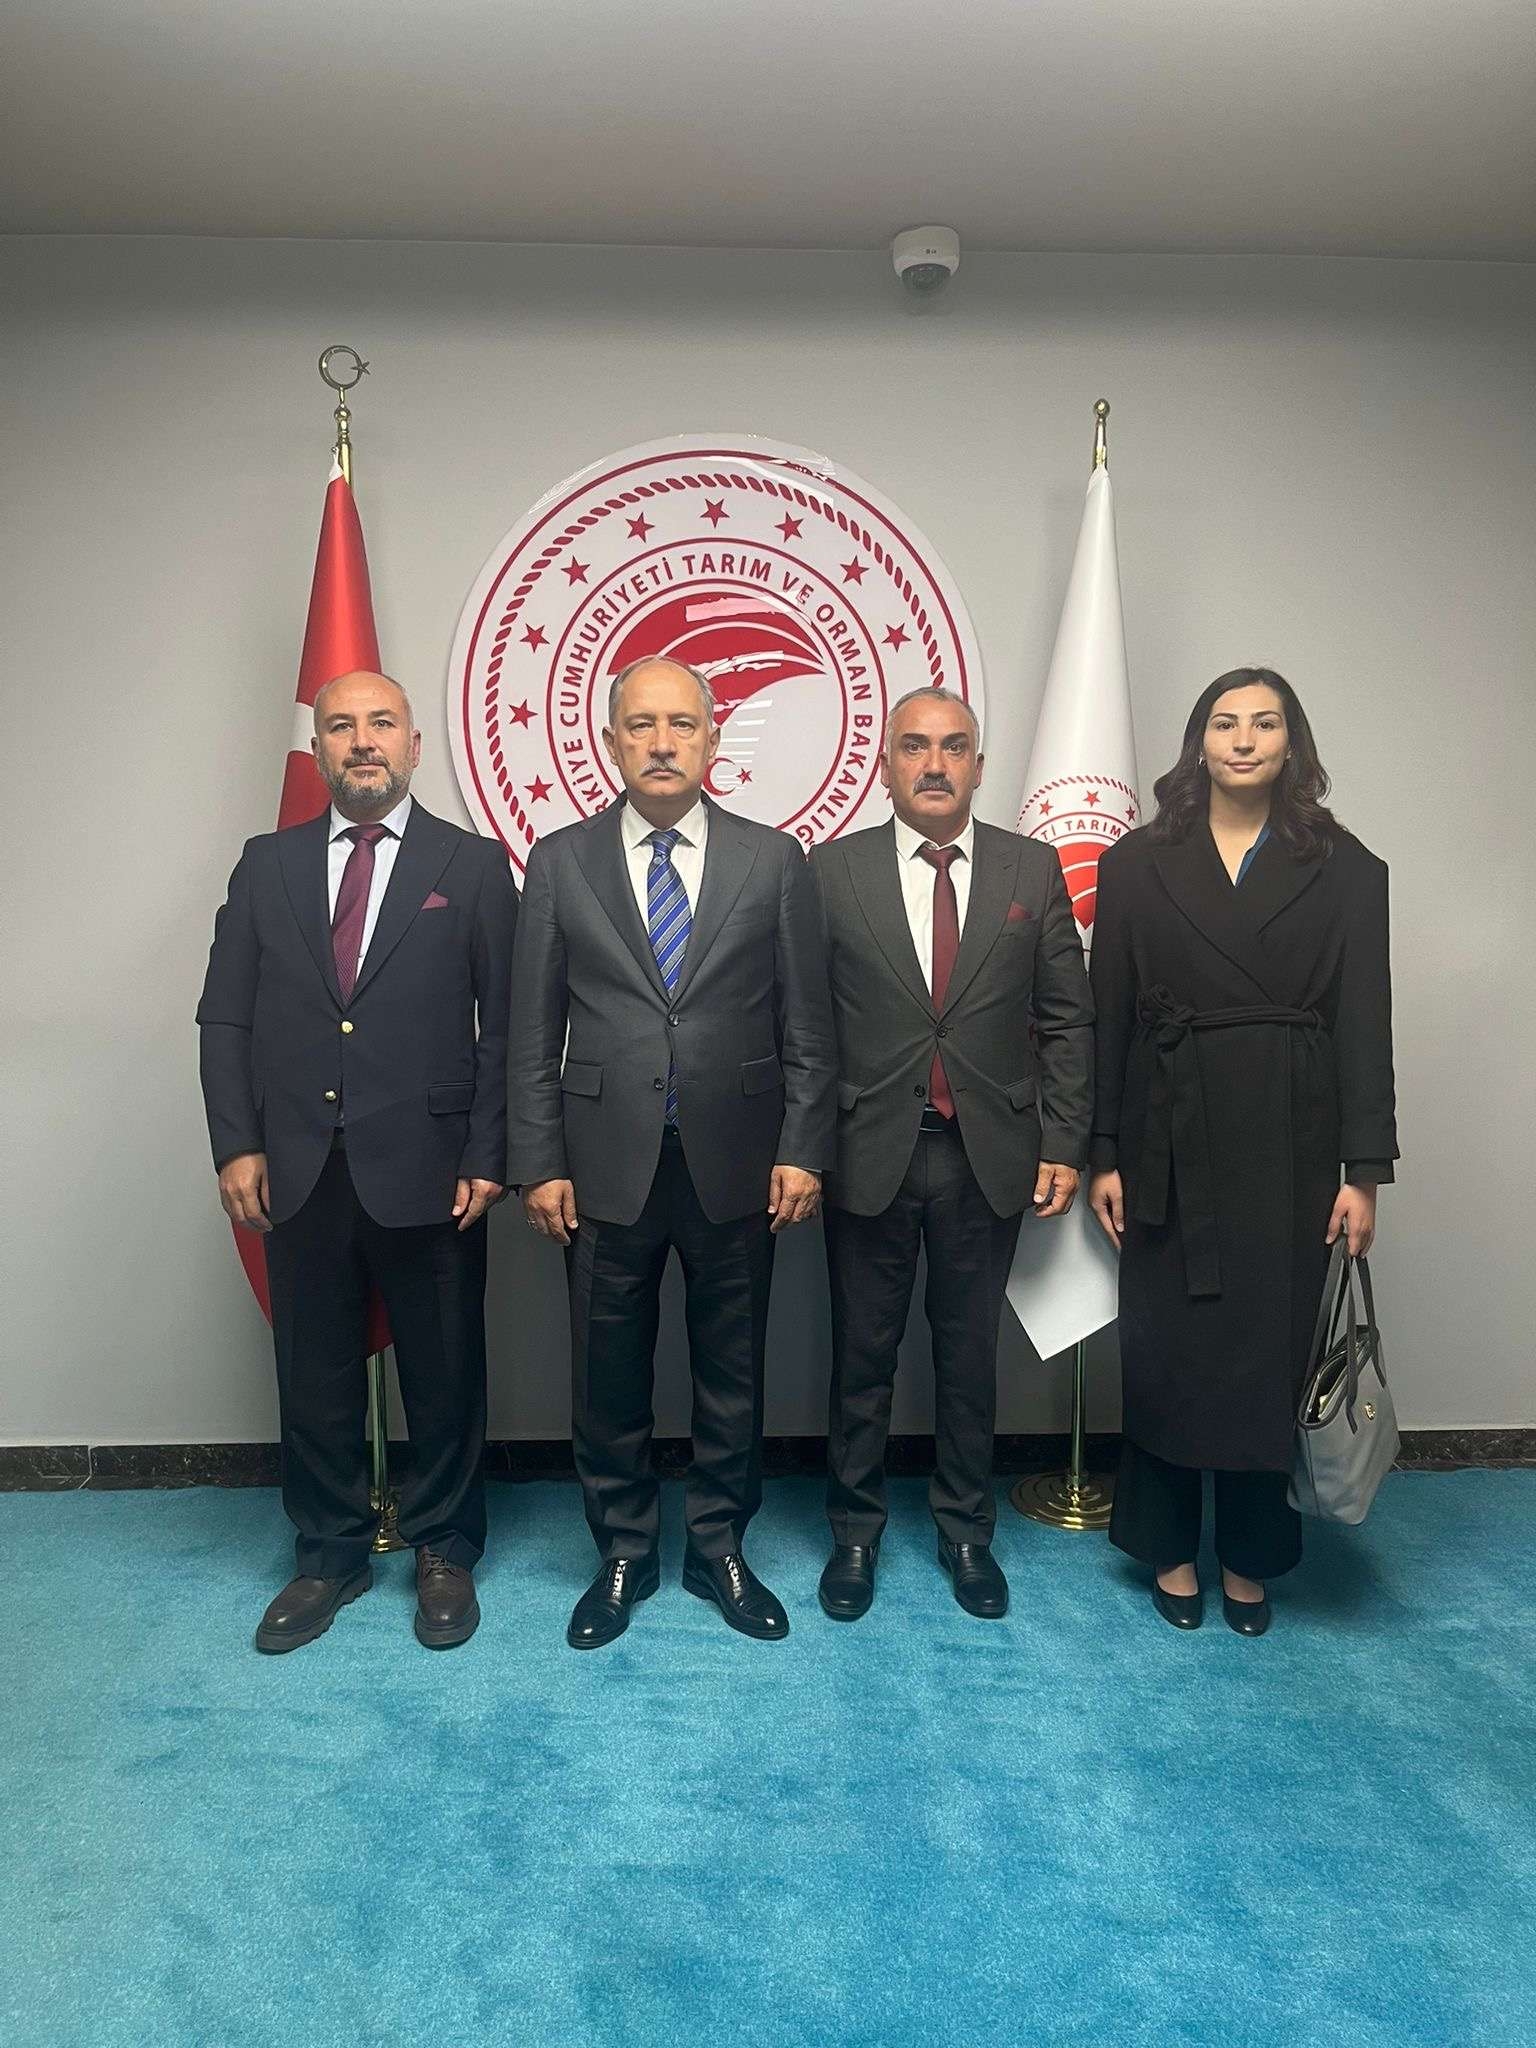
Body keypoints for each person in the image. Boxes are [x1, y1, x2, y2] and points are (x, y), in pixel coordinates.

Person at [507, 657, 835, 1649]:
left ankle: (718, 1546)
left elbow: (808, 1024)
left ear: (712, 740)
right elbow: (532, 1032)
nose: (661, 742)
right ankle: (623, 1550)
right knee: (607, 1373)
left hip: (739, 1158)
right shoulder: (559, 861)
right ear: (611, 741)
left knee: (733, 1371)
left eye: (681, 724)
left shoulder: (774, 860)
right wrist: (539, 1159)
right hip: (600, 1164)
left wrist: (803, 1146)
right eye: (642, 724)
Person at [197, 671, 518, 1653]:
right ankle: (328, 1552)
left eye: (381, 723)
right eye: (341, 725)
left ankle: (445, 1547)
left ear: (414, 744)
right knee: (313, 1372)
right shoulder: (267, 864)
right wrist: (237, 1141)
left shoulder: (472, 865)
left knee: (445, 1370)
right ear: (320, 750)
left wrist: (490, 1151)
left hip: (436, 1167)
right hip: (298, 1164)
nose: (362, 740)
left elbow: (508, 1025)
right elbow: (226, 1016)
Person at [1087, 666, 1397, 1636]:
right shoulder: (1136, 864)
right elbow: (1107, 1016)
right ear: (1201, 742)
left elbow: (1365, 1025)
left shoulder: (1349, 868)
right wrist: (1103, 1151)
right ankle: (1169, 1546)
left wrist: (1364, 1171)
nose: (1245, 739)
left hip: (1290, 1144)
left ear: (1291, 742)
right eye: (1226, 722)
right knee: (1168, 1349)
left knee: (1270, 1350)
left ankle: (1252, 1558)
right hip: (1166, 1136)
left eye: (1265, 723)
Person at [810, 687, 1094, 1622]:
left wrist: (1063, 1138)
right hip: (866, 1153)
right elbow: (803, 1022)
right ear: (884, 763)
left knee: (970, 1360)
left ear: (979, 763)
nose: (934, 765)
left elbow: (1066, 1018)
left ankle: (967, 1532)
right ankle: (855, 1534)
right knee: (862, 1359)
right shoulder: (831, 871)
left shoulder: (1029, 868)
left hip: (988, 1156)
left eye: (954, 747)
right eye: (914, 746)